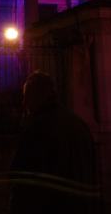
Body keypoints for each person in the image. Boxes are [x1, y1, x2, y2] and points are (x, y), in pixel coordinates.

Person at [9, 70, 99, 214]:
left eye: (26, 96)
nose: (23, 102)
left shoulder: (36, 128)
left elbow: (21, 179)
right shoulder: (80, 126)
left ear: (37, 96)